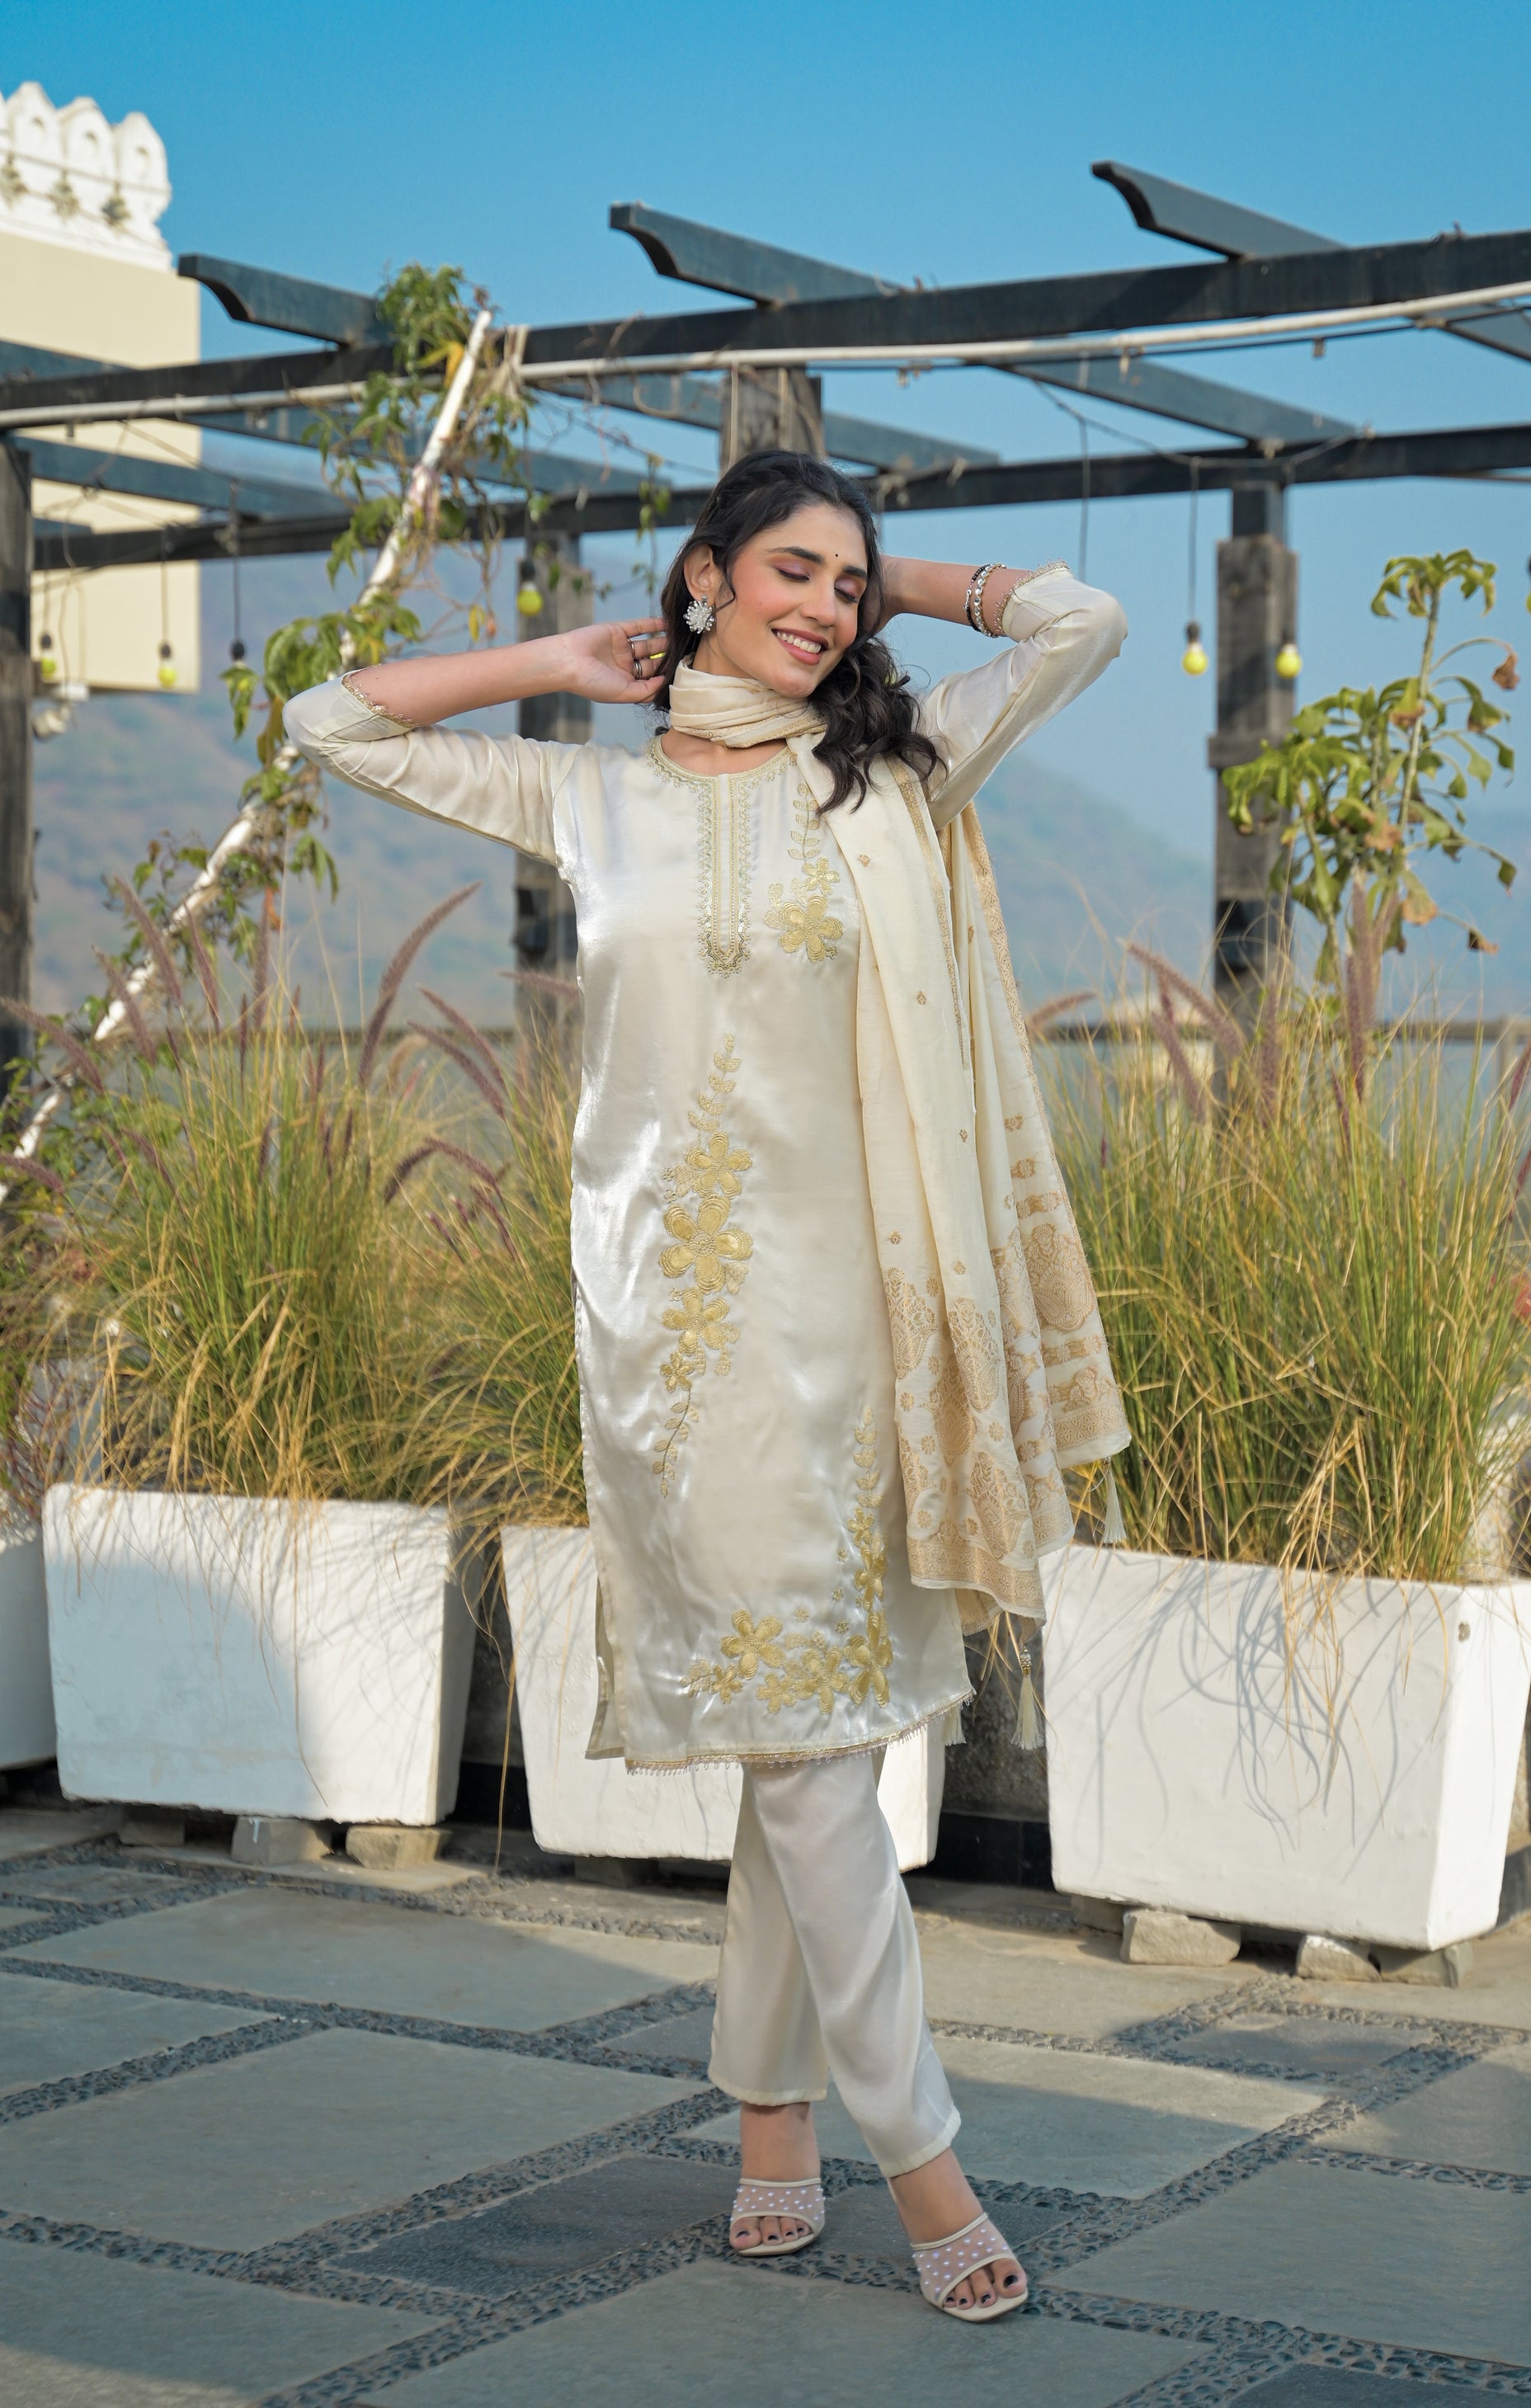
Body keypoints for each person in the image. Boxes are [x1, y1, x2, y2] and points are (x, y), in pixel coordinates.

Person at [285, 449, 1130, 2325]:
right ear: (702, 574)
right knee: (814, 1754)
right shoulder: (592, 798)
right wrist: (555, 663)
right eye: (792, 570)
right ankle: (923, 2157)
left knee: (802, 1746)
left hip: (875, 1342)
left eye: (846, 581)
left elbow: (1085, 620)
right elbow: (327, 718)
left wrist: (907, 587)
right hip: (686, 1346)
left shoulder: (896, 774)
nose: (823, 604)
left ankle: (766, 2121)